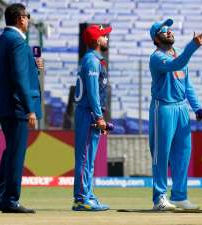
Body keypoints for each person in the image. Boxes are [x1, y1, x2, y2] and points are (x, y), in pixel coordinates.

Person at [0, 3, 42, 213]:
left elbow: (16, 71)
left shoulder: (2, 39)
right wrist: (29, 109)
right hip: (17, 106)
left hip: (4, 104)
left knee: (10, 151)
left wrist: (33, 67)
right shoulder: (18, 41)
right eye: (27, 16)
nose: (28, 20)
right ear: (20, 18)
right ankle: (11, 199)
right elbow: (19, 78)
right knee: (16, 153)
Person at [148, 18, 202, 211]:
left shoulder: (177, 55)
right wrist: (193, 46)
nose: (169, 32)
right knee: (162, 155)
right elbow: (177, 64)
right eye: (163, 31)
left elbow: (186, 84)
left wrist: (196, 107)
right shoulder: (157, 57)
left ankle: (180, 196)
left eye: (170, 30)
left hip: (182, 109)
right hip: (163, 108)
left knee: (183, 154)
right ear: (156, 39)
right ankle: (160, 198)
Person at [72, 24, 112, 211]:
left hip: (90, 114)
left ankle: (87, 194)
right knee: (85, 157)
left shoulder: (94, 60)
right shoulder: (92, 61)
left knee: (89, 158)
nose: (107, 39)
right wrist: (99, 117)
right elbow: (93, 92)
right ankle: (81, 199)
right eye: (104, 36)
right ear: (97, 41)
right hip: (88, 114)